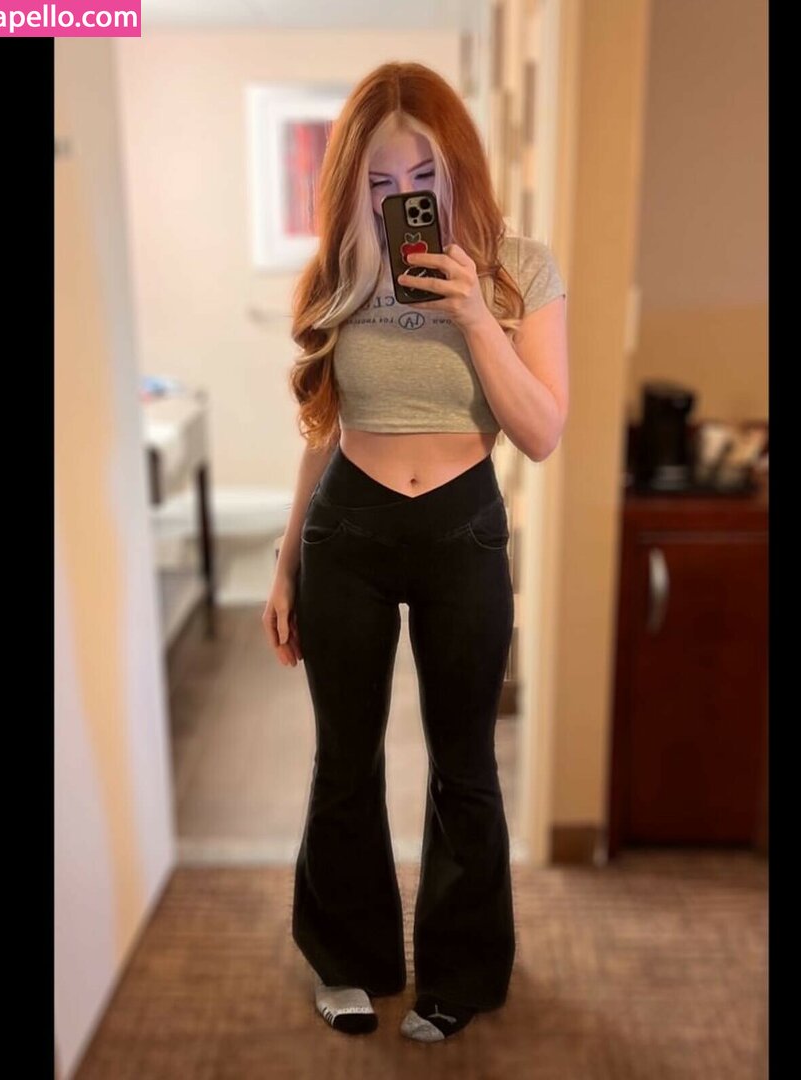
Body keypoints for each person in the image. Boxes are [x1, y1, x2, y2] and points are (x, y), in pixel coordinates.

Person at [262, 61, 569, 1042]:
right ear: (352, 184)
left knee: (465, 764)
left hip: (462, 528)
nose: (403, 200)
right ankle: (345, 960)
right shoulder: (339, 272)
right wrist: (284, 559)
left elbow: (540, 431)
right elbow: (321, 426)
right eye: (380, 183)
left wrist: (476, 314)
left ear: (458, 167)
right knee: (343, 761)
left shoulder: (521, 270)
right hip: (346, 533)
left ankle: (460, 973)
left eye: (422, 178)